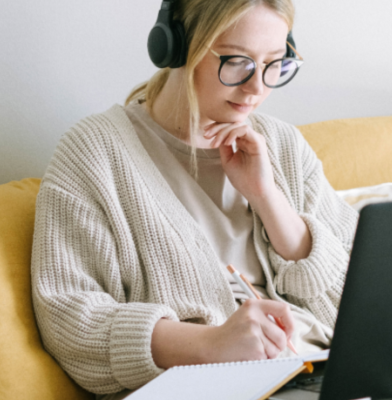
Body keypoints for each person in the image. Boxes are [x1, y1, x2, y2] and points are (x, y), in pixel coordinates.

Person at [30, 0, 358, 398]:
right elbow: (69, 319)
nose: (257, 87)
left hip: (325, 373)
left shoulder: (283, 144)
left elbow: (361, 292)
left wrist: (268, 198)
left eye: (275, 62)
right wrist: (211, 345)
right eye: (238, 61)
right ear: (177, 48)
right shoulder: (95, 153)